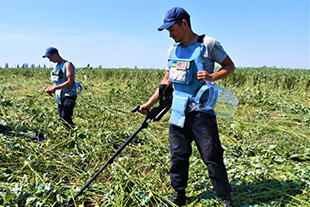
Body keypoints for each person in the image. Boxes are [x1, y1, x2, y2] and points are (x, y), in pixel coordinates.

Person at [138, 7, 235, 207]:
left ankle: (225, 197)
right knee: (178, 157)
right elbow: (168, 80)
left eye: (172, 29)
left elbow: (229, 66)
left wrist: (211, 77)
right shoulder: (172, 50)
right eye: (168, 32)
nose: (170, 35)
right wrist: (149, 103)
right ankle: (179, 195)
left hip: (202, 113)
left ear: (184, 23)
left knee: (212, 156)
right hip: (178, 112)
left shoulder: (208, 44)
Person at [43, 47, 77, 129]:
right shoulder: (56, 67)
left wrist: (55, 88)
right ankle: (67, 135)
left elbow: (70, 82)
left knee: (65, 118)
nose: (50, 60)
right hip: (59, 96)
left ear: (56, 55)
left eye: (50, 57)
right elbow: (58, 82)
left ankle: (72, 136)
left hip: (69, 95)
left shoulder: (68, 65)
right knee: (62, 118)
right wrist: (50, 88)